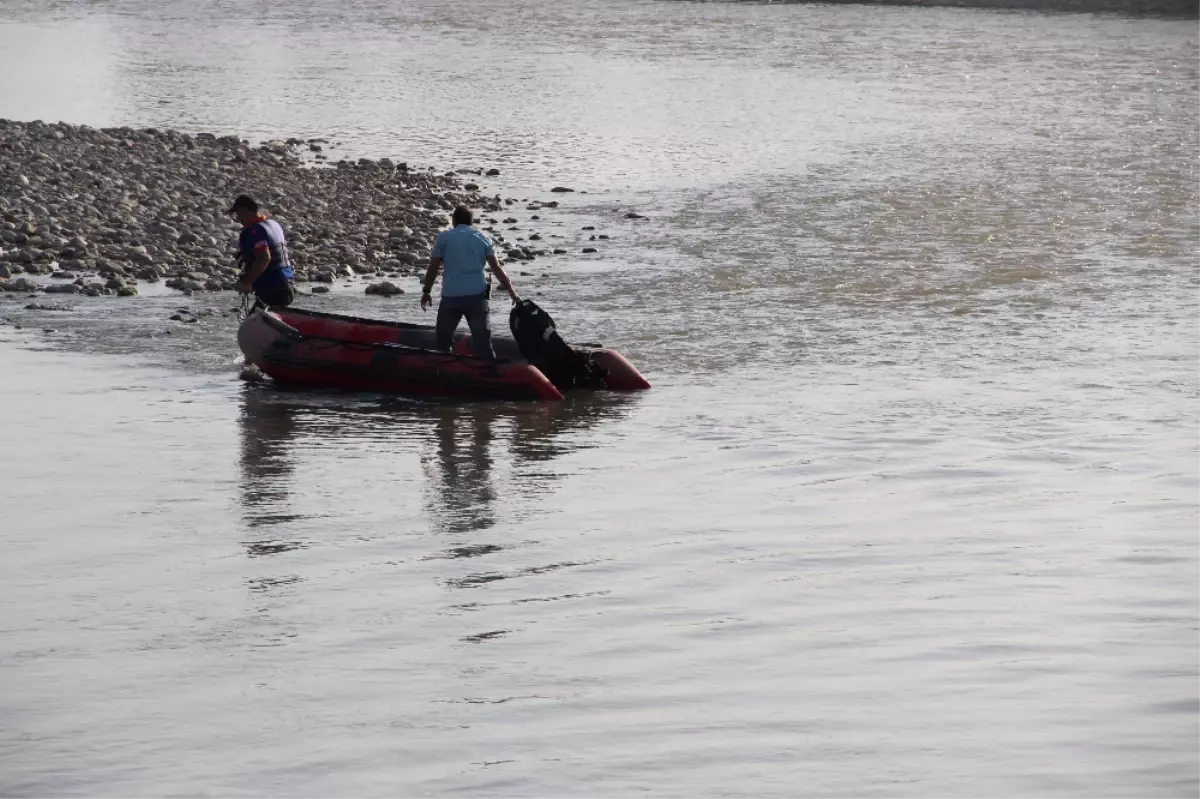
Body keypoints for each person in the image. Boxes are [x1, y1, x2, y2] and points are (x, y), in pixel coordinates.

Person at [421, 205, 518, 362]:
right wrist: (512, 292)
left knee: (443, 341)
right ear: (471, 222)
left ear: (453, 221)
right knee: (483, 343)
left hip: (451, 296)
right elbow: (496, 268)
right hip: (476, 296)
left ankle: (445, 370)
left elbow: (433, 267)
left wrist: (426, 291)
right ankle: (490, 374)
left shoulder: (444, 238)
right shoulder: (483, 238)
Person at [228, 194, 296, 307]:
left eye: (238, 214)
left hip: (273, 289)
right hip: (286, 284)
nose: (238, 218)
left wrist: (247, 282)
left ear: (245, 210)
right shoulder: (273, 224)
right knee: (258, 320)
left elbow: (264, 258)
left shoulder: (256, 231)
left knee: (253, 323)